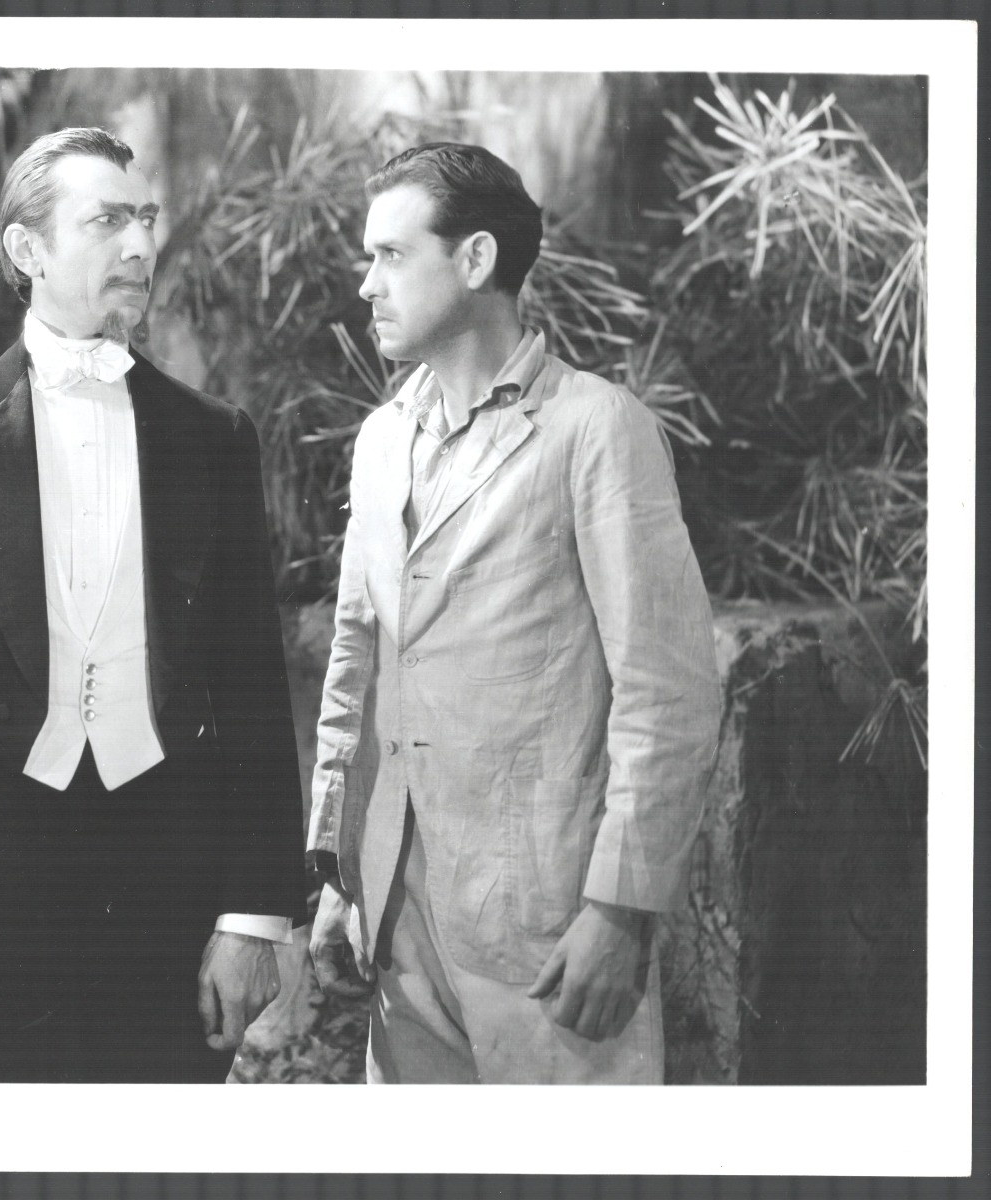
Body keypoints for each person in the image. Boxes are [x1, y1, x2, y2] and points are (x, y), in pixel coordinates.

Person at [0, 127, 306, 1083]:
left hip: (171, 889)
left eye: (146, 220)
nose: (139, 245)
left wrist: (251, 917)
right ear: (28, 249)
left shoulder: (213, 438)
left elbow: (253, 689)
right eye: (107, 222)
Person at [306, 143, 721, 1084]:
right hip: (397, 922)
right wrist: (337, 864)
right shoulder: (380, 440)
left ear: (476, 259)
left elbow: (667, 691)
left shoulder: (595, 428)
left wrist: (619, 911)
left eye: (391, 255)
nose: (366, 284)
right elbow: (356, 661)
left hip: (545, 932)